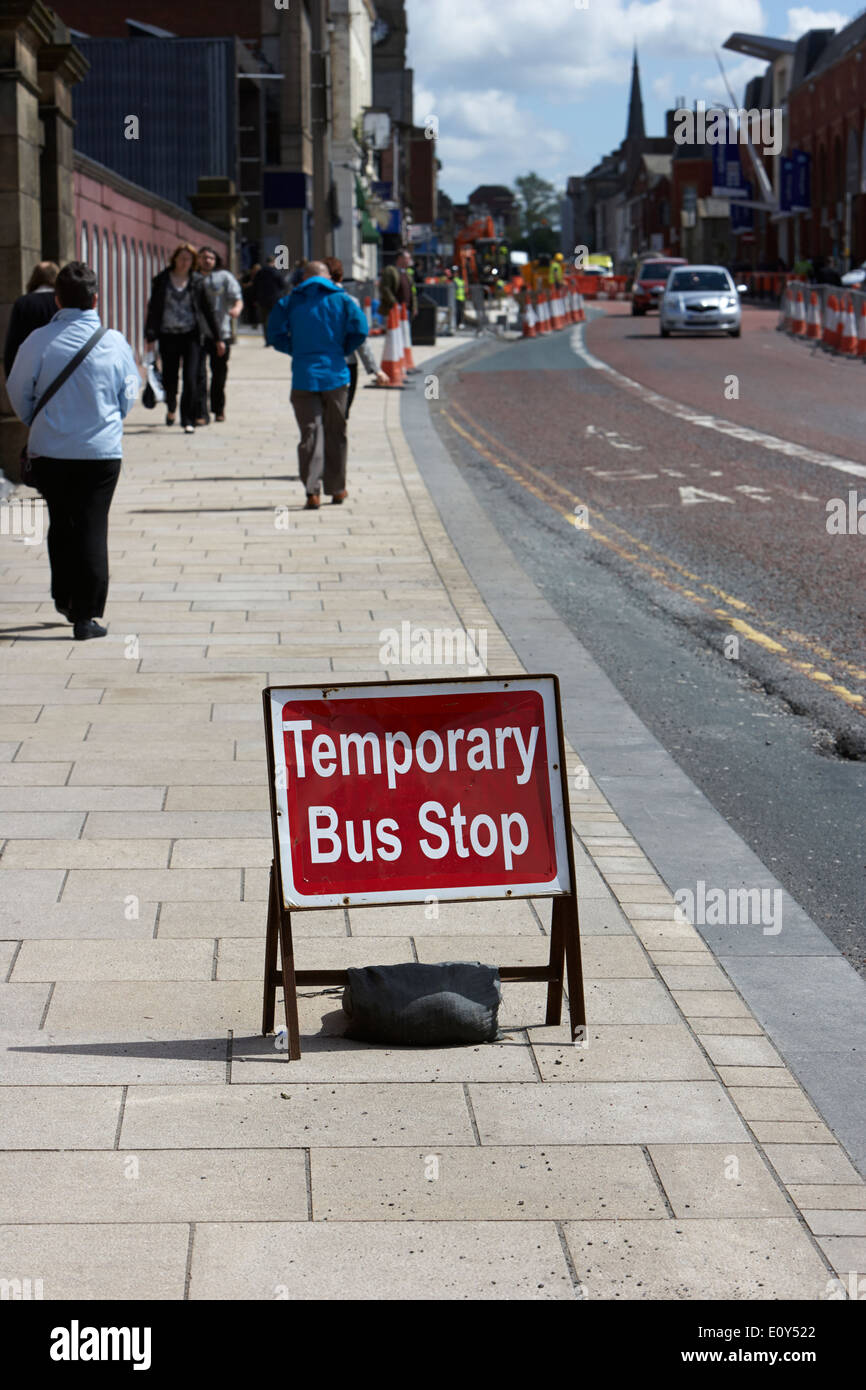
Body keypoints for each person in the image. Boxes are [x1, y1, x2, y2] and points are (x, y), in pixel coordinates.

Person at [6, 261, 139, 641]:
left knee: (62, 524)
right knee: (93, 527)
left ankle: (64, 598)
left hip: (50, 451)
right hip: (100, 452)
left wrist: (38, 420)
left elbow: (17, 390)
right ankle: (87, 616)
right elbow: (129, 393)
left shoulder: (36, 341)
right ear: (96, 298)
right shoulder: (114, 342)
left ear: (57, 299)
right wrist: (110, 418)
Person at [266, 259, 368, 510]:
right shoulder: (343, 300)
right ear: (327, 278)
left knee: (310, 432)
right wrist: (342, 349)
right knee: (336, 431)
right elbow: (360, 330)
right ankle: (337, 488)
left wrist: (294, 349)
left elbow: (274, 333)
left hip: (304, 375)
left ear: (303, 278)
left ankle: (312, 491)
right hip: (335, 374)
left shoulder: (290, 301)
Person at [143, 244, 222, 434]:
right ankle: (171, 407)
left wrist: (218, 338)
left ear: (192, 261)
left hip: (192, 336)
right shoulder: (162, 280)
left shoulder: (196, 281)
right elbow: (153, 309)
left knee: (191, 377)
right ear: (175, 259)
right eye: (182, 258)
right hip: (168, 335)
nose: (184, 262)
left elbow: (207, 310)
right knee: (170, 378)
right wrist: (150, 335)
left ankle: (188, 419)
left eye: (188, 259)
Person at [322, 257, 389, 417]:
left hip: (318, 364)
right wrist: (375, 369)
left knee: (321, 416)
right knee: (340, 415)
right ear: (340, 277)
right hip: (345, 365)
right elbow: (360, 339)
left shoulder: (310, 303)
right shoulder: (350, 302)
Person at [195, 246, 242, 424]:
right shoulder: (194, 278)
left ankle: (218, 408)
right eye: (204, 257)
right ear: (197, 259)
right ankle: (201, 412)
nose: (207, 260)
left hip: (221, 332)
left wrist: (236, 308)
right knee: (198, 374)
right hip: (197, 333)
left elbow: (237, 297)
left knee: (219, 374)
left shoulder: (224, 278)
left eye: (211, 258)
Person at [3, 262, 60, 378]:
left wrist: (10, 376)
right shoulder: (63, 301)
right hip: (60, 370)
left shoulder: (23, 303)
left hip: (31, 373)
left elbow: (13, 344)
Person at [253, 258, 288, 340]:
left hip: (262, 299)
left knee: (264, 320)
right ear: (273, 262)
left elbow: (255, 286)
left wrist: (255, 298)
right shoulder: (276, 272)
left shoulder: (260, 272)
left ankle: (267, 338)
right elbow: (283, 285)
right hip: (275, 299)